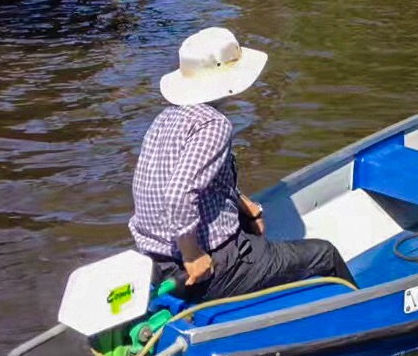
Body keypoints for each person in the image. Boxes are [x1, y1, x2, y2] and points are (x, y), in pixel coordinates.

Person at [130, 27, 354, 299]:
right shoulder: (214, 124)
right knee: (325, 254)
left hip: (157, 262)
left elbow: (190, 179)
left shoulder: (166, 118)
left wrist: (243, 203)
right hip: (206, 266)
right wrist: (193, 256)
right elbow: (178, 194)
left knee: (251, 227)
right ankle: (365, 315)